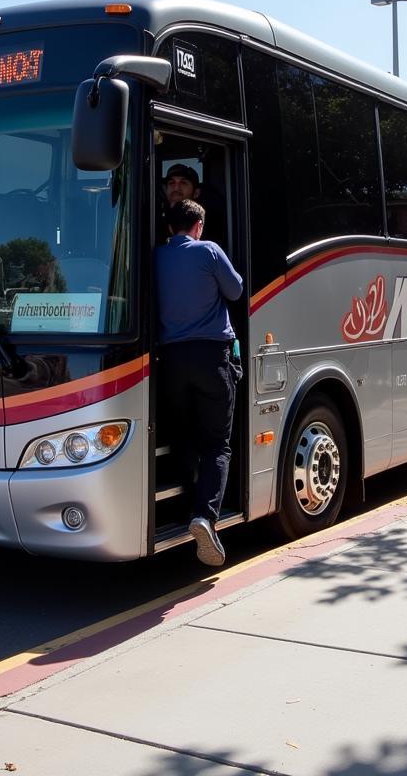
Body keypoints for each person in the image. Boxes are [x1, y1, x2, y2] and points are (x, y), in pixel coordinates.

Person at [155, 198, 243, 566]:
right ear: (199, 226)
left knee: (183, 438)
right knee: (218, 445)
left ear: (169, 227)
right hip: (211, 359)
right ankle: (205, 516)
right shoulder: (208, 251)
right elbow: (236, 290)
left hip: (171, 361)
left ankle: (182, 510)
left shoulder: (156, 256)